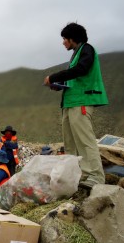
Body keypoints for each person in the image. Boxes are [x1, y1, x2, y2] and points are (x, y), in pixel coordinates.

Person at [44, 23, 108, 189]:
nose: (63, 42)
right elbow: (75, 77)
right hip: (71, 101)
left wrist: (54, 76)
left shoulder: (87, 49)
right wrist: (59, 84)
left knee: (85, 140)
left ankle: (95, 175)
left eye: (65, 39)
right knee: (71, 142)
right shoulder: (76, 54)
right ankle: (78, 175)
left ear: (73, 38)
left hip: (82, 101)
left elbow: (82, 70)